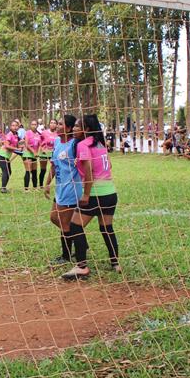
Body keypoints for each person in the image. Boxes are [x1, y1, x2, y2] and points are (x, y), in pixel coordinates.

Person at [62, 114, 120, 280]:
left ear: (86, 129)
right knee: (106, 228)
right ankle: (115, 262)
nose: (74, 129)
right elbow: (110, 164)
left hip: (95, 194)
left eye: (78, 126)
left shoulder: (83, 145)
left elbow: (88, 172)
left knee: (74, 226)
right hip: (110, 192)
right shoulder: (101, 144)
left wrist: (86, 194)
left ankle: (81, 267)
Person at [43, 115, 83, 265]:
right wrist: (47, 183)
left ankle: (66, 256)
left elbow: (85, 165)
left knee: (64, 223)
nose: (57, 126)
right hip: (60, 188)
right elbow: (53, 165)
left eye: (60, 124)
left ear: (68, 128)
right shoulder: (57, 142)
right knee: (54, 218)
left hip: (72, 189)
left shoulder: (75, 145)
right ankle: (80, 240)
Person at [0, 120, 20, 193]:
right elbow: (7, 146)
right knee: (6, 172)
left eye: (16, 126)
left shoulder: (16, 135)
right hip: (2, 155)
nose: (15, 127)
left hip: (7, 156)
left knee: (9, 172)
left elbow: (17, 145)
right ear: (10, 127)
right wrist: (17, 149)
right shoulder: (9, 134)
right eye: (13, 125)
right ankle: (3, 188)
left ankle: (4, 187)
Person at [22, 120, 41, 191]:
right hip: (27, 154)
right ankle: (26, 189)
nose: (34, 126)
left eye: (35, 124)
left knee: (34, 171)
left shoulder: (38, 134)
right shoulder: (28, 133)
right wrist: (33, 151)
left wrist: (38, 152)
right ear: (30, 125)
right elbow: (26, 145)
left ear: (37, 125)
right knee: (28, 171)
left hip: (34, 155)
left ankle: (35, 187)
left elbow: (40, 145)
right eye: (32, 124)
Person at [39, 119, 58, 187]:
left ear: (56, 125)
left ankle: (53, 183)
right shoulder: (44, 132)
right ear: (49, 124)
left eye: (54, 123)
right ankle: (41, 185)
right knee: (43, 169)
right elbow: (39, 141)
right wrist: (41, 149)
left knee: (55, 168)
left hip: (53, 153)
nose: (52, 124)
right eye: (51, 123)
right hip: (44, 153)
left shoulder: (58, 134)